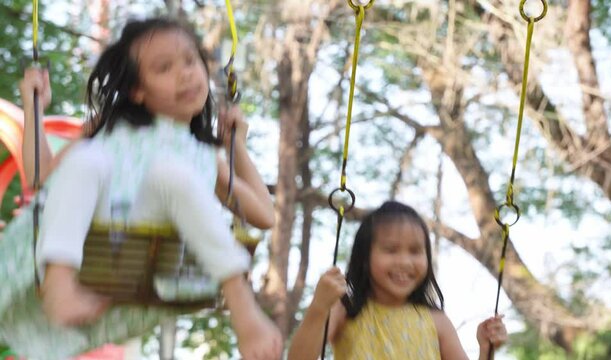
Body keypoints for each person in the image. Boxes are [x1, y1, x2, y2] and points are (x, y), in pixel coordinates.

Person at [0, 17, 281, 360]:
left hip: (155, 250)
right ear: (137, 90)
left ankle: (242, 305)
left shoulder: (203, 156)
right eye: (164, 68)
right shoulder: (107, 131)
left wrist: (237, 146)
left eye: (190, 61)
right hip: (99, 235)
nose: (185, 74)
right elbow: (42, 179)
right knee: (87, 161)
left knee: (171, 174)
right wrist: (34, 107)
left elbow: (264, 215)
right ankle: (59, 279)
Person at [288, 201, 508, 360]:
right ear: (364, 257)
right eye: (391, 250)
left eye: (415, 251)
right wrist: (319, 308)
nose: (404, 261)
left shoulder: (437, 321)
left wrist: (486, 351)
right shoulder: (345, 309)